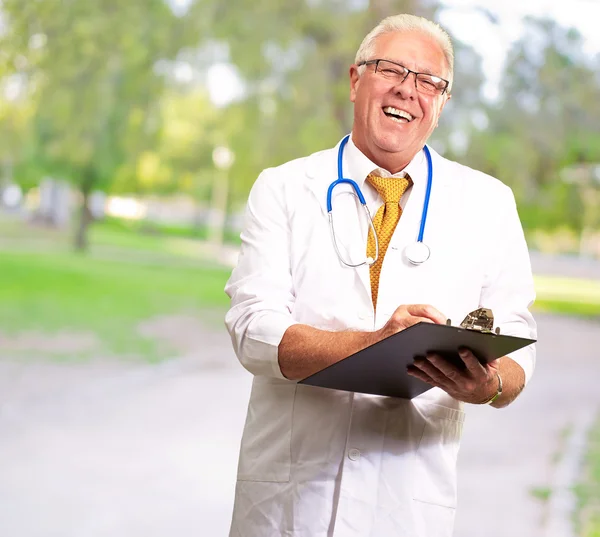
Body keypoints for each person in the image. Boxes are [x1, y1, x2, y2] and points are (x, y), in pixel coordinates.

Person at [224, 13, 536, 537]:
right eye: (391, 69)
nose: (407, 90)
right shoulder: (283, 187)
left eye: (429, 81)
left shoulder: (489, 205)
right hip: (290, 504)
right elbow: (253, 332)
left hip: (406, 508)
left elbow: (518, 353)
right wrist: (374, 344)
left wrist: (488, 384)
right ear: (355, 80)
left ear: (442, 103)